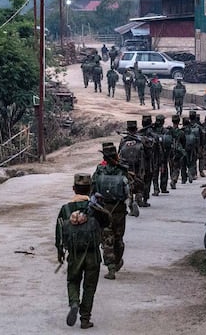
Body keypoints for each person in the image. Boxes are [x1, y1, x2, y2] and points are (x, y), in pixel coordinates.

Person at [55, 173, 110, 329]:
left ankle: (74, 303)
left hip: (74, 254)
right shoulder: (94, 207)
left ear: (73, 189)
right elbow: (107, 222)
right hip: (93, 255)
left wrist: (60, 252)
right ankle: (85, 319)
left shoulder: (65, 209)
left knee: (72, 281)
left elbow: (59, 232)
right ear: (90, 188)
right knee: (89, 287)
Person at [92, 142, 130, 280]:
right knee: (119, 238)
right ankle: (117, 260)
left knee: (107, 240)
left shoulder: (99, 170)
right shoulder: (123, 170)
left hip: (103, 209)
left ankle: (111, 268)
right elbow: (129, 189)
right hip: (119, 209)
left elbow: (93, 188)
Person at [118, 121, 146, 212]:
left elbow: (119, 153)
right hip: (139, 166)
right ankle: (139, 197)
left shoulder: (123, 140)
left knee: (128, 184)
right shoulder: (141, 140)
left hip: (126, 166)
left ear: (128, 129)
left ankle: (131, 204)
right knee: (139, 181)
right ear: (136, 129)